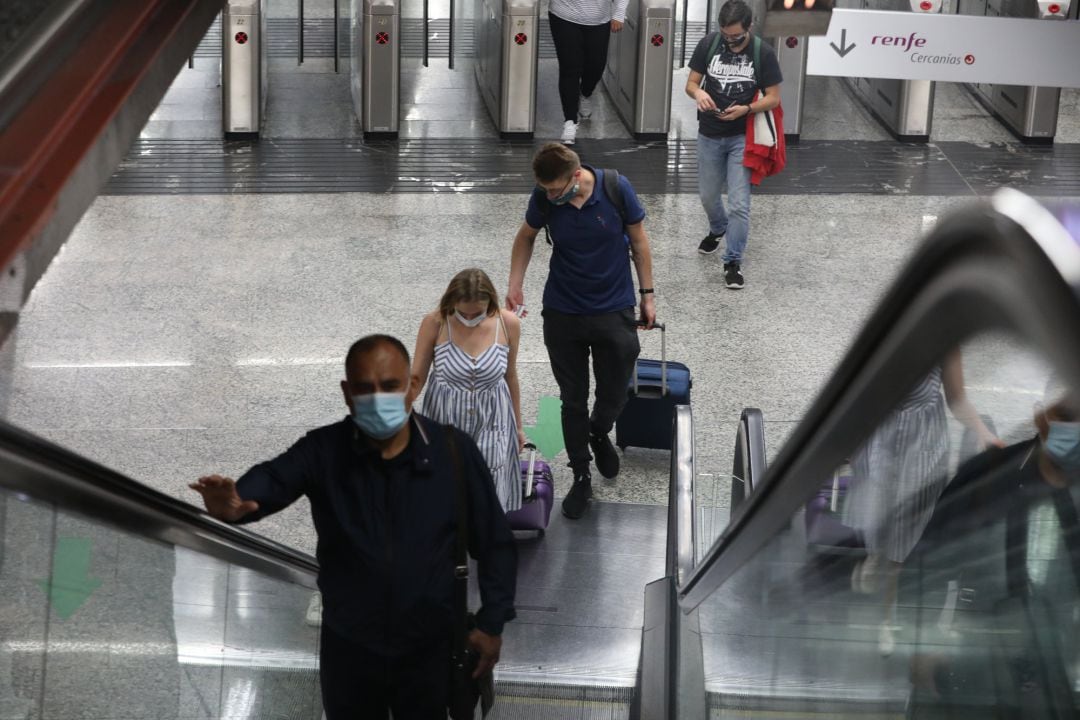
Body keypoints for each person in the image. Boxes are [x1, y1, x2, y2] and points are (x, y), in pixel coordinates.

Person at [190, 334, 517, 719]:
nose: (378, 399)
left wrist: (492, 623)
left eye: (390, 386)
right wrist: (235, 504)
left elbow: (494, 541)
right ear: (347, 392)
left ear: (412, 386)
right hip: (351, 653)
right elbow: (273, 478)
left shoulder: (452, 452)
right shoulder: (324, 451)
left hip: (431, 649)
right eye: (365, 388)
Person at [506, 142, 656, 520]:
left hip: (614, 307)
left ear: (576, 176)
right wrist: (515, 283)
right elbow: (526, 235)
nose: (551, 196)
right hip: (563, 310)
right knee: (572, 398)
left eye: (556, 189)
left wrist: (648, 295)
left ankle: (599, 429)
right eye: (545, 190)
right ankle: (581, 474)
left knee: (615, 389)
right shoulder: (545, 198)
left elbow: (638, 240)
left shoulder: (615, 189)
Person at [844, 351, 1001, 656]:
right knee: (877, 516)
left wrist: (982, 431)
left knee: (904, 539)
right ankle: (875, 554)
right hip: (881, 434)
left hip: (922, 443)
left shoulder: (947, 336)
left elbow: (957, 398)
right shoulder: (896, 323)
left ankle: (886, 621)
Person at [685, 0, 783, 289]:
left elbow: (773, 97)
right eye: (726, 35)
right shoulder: (708, 44)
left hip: (743, 135)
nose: (730, 41)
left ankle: (733, 261)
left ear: (749, 27)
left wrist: (746, 109)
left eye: (736, 36)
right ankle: (718, 227)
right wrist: (698, 95)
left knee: (740, 203)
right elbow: (691, 83)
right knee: (708, 195)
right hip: (710, 132)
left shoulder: (762, 53)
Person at [412, 268, 525, 513]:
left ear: (490, 303)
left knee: (489, 488)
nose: (470, 318)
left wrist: (517, 426)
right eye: (463, 313)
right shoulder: (435, 323)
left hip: (493, 420)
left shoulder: (508, 324)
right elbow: (416, 378)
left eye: (478, 313)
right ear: (451, 302)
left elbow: (510, 376)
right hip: (446, 420)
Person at [548, 0, 628, 145]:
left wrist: (619, 13)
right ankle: (570, 121)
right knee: (570, 68)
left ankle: (585, 93)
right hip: (564, 16)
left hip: (598, 20)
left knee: (596, 66)